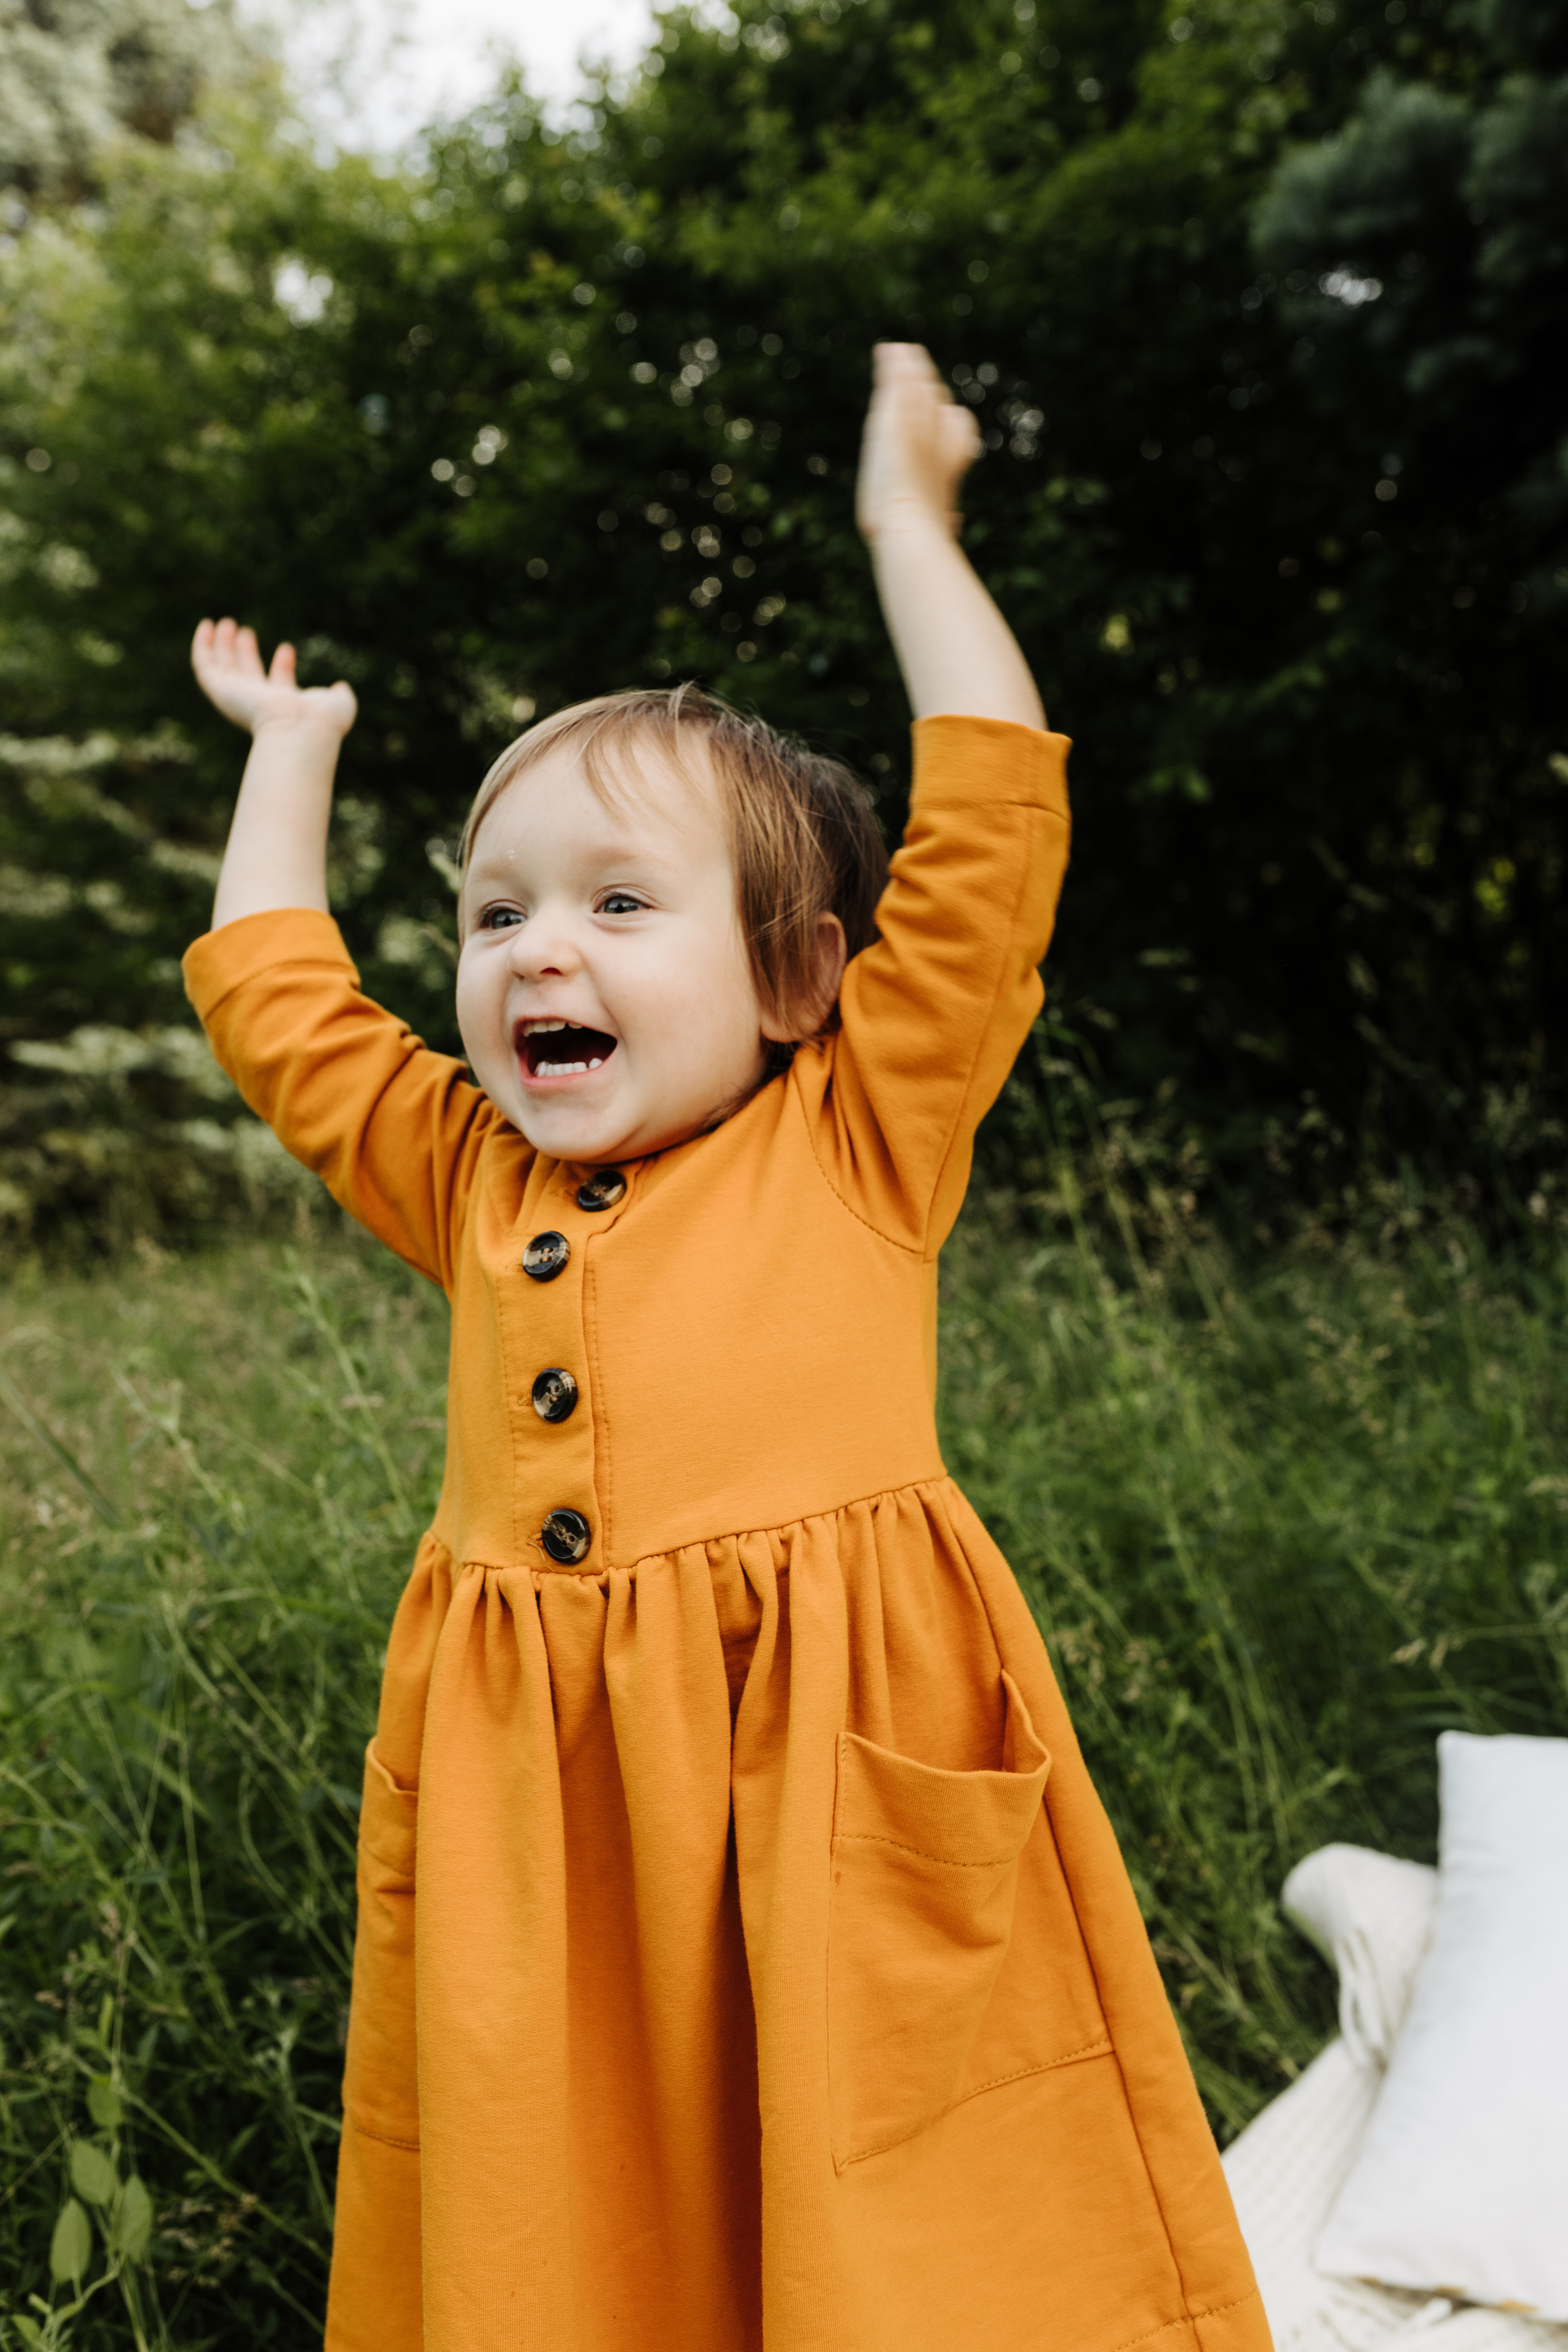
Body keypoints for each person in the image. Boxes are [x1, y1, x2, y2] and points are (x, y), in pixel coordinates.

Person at [184, 345, 1267, 2352]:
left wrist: (904, 523)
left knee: (902, 2212)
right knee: (567, 2228)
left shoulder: (864, 1123)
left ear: (793, 978)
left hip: (834, 1785)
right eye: (497, 914)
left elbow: (993, 817)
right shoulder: (468, 1168)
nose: (537, 954)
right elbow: (281, 1006)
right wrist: (295, 742)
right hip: (548, 1829)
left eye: (616, 901)